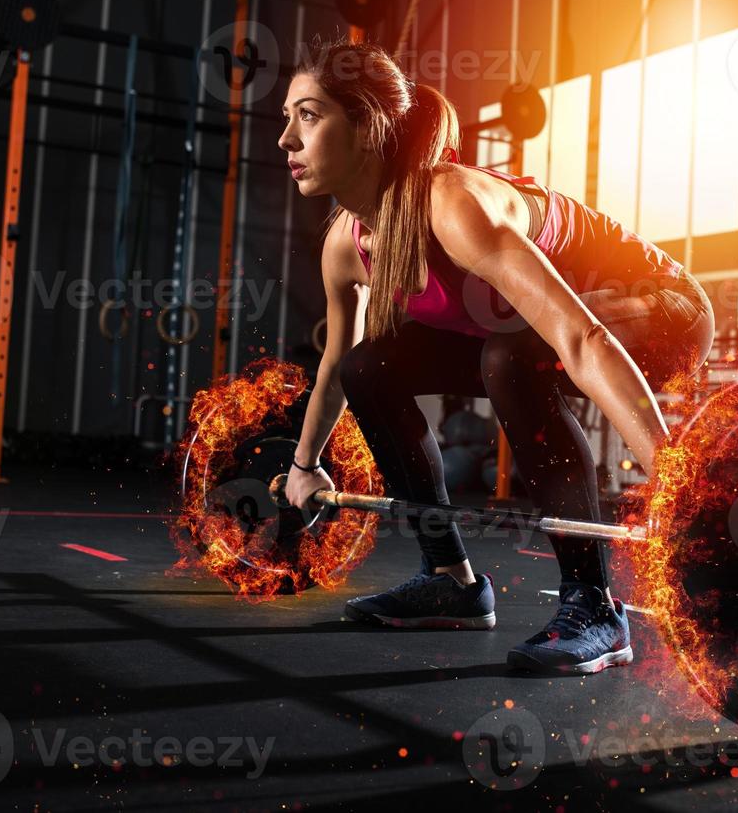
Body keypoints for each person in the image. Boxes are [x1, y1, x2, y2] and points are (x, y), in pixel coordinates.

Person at [279, 37, 715, 675]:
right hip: (536, 340)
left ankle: (595, 607)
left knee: (512, 359)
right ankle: (450, 579)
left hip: (664, 310)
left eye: (309, 116)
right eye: (286, 119)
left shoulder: (453, 204)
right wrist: (303, 466)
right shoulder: (347, 246)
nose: (287, 139)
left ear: (368, 129)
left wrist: (675, 479)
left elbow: (581, 339)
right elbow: (334, 371)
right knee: (369, 366)